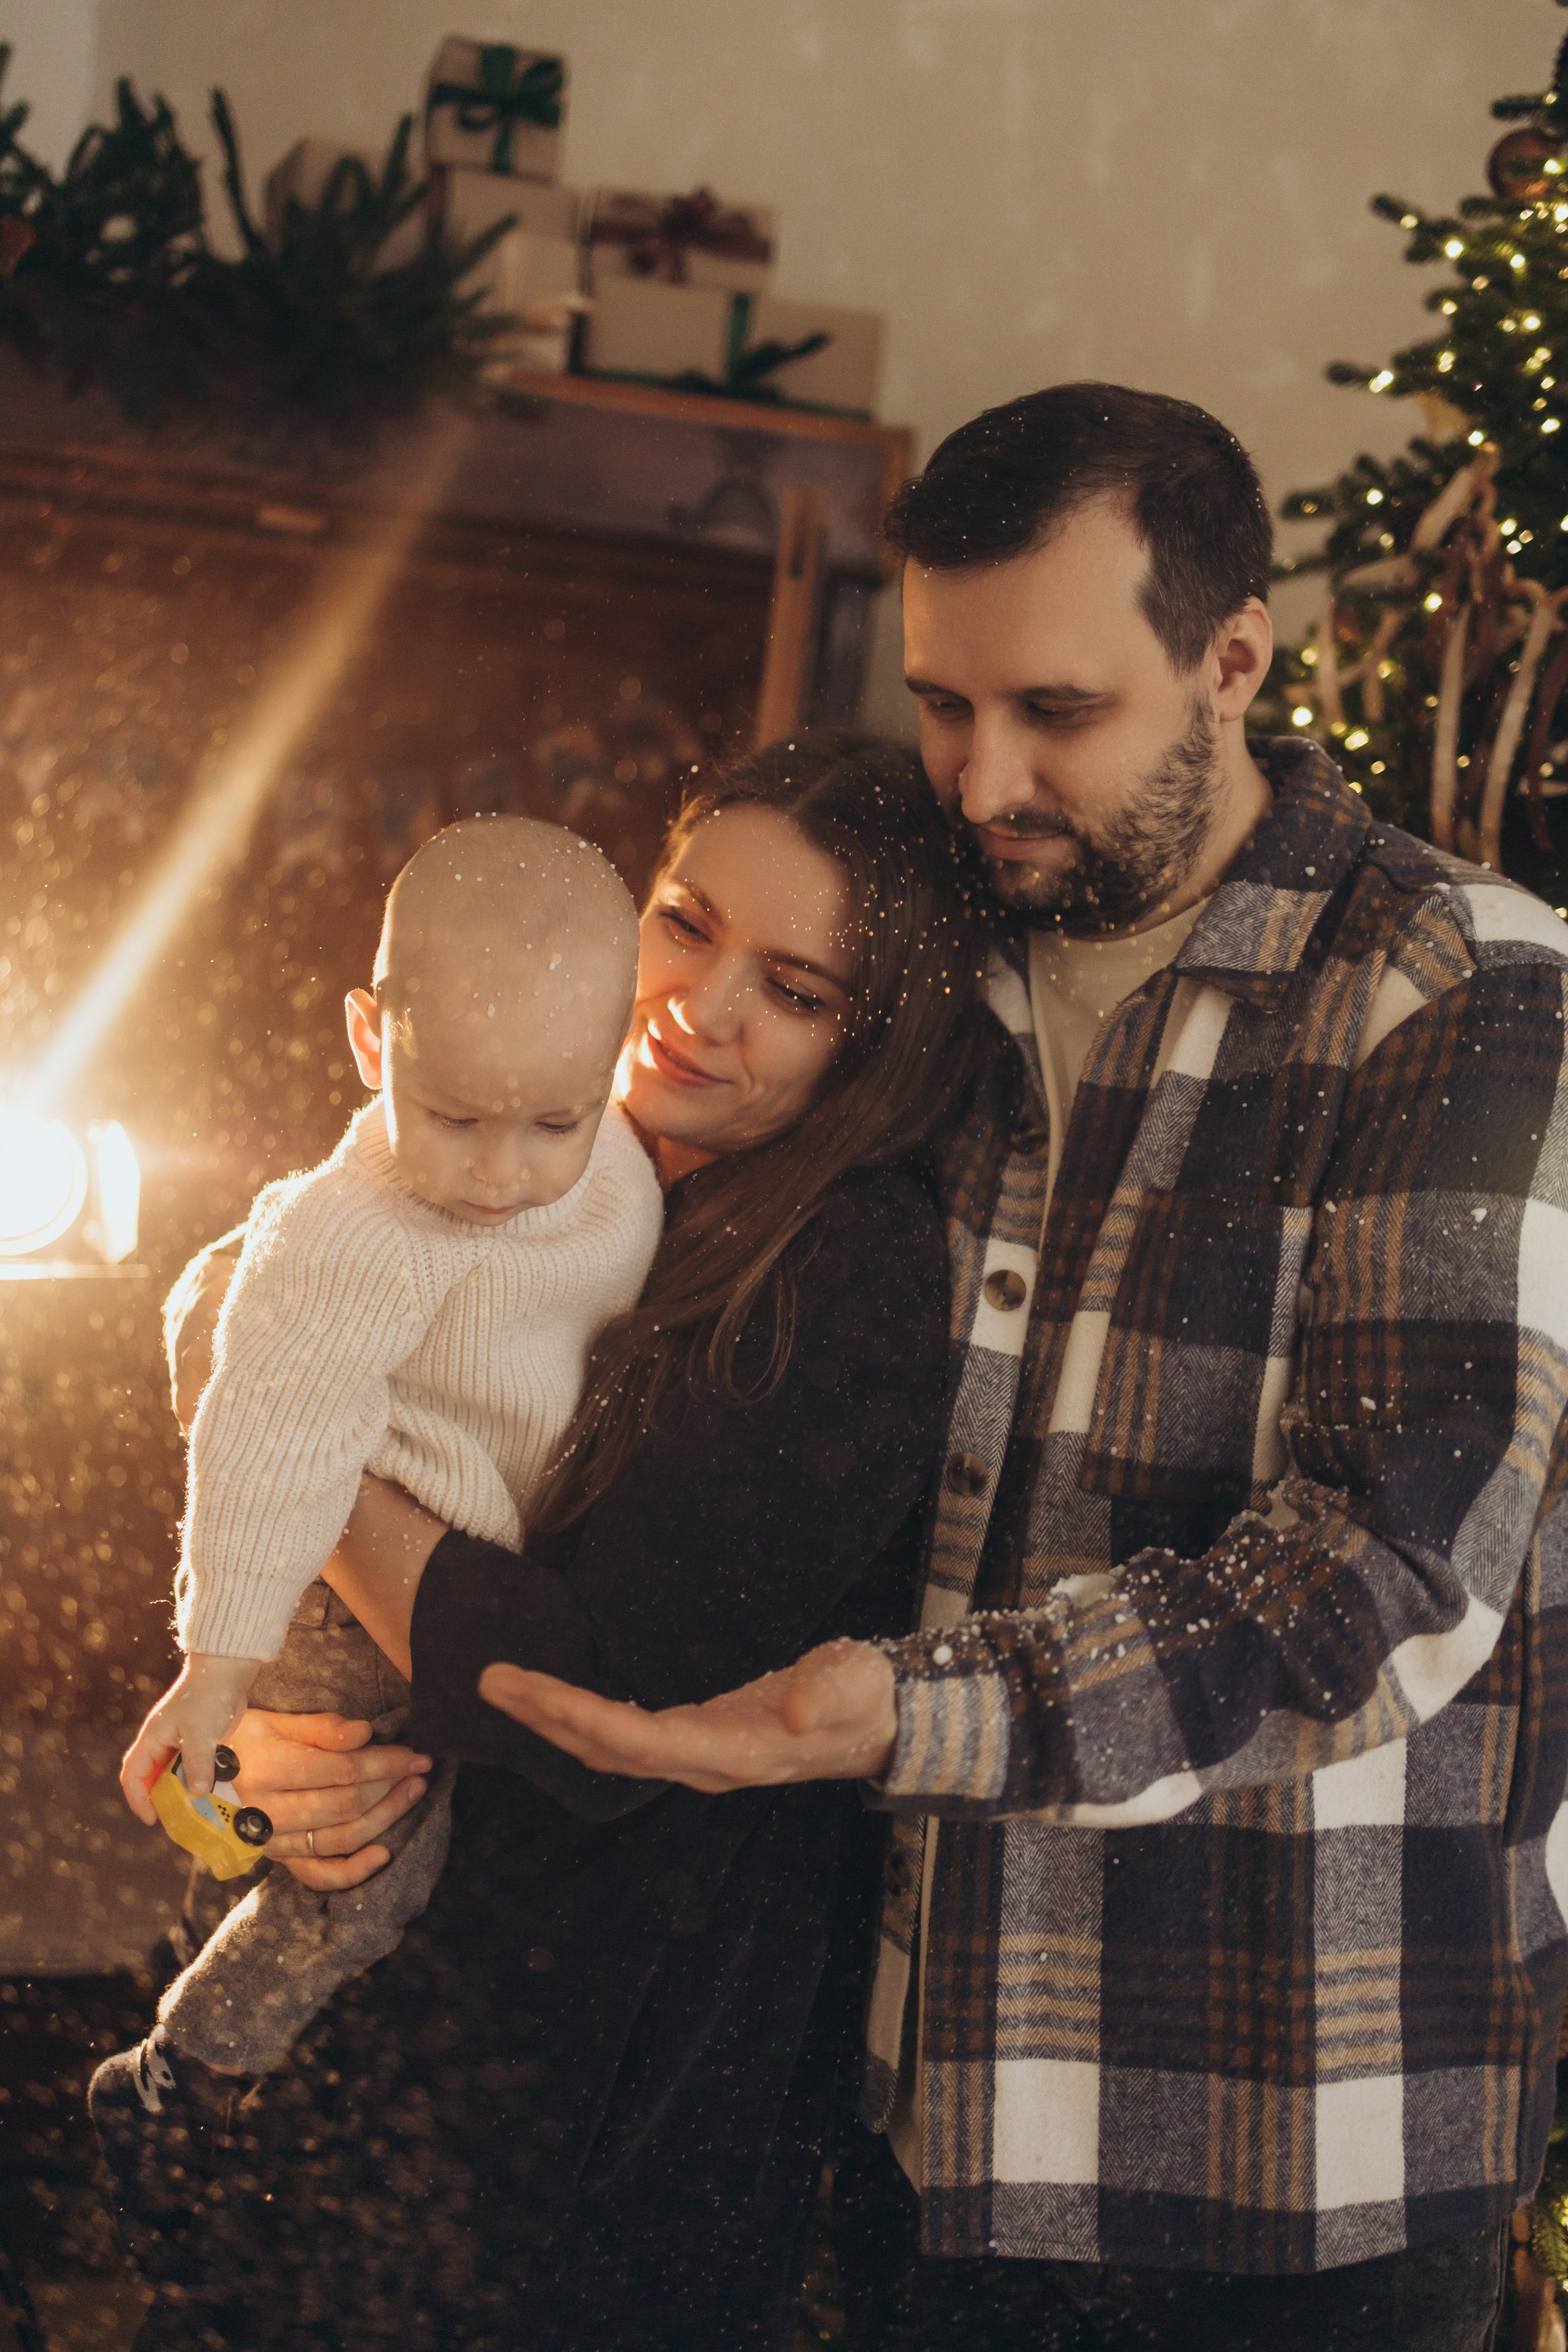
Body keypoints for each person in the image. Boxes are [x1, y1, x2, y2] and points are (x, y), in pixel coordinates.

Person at [478, 384, 1568, 2352]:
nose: (985, 782)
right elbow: (555, 1247)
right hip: (937, 2093)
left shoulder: (1463, 986)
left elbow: (1391, 1572)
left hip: (1298, 2150)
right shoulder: (925, 966)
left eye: (1055, 713)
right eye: (945, 704)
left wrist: (895, 1717)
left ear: (1234, 657)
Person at [108, 734, 998, 2352]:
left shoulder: (846, 1267)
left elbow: (599, 1709)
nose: (699, 1007)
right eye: (685, 921)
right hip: (366, 2054)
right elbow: (253, 1388)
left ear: (873, 1040)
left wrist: (299, 1451)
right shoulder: (525, 1137)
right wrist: (245, 1772)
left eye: (794, 990)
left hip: (581, 2113)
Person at [96, 818, 662, 2097]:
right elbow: (263, 1431)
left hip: (454, 1569)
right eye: (454, 1116)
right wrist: (218, 1663)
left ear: (613, 1058)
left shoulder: (611, 1147)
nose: (500, 1173)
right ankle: (182, 2075)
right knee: (367, 1870)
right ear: (371, 1042)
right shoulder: (354, 1230)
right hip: (309, 1570)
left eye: (549, 1123)